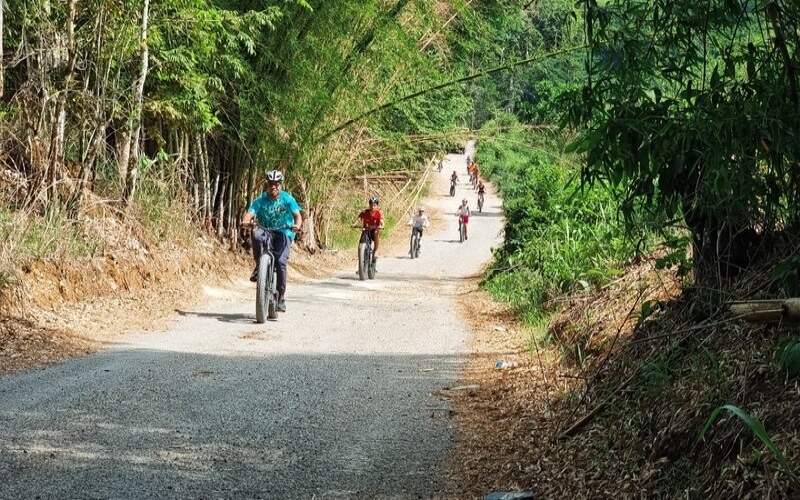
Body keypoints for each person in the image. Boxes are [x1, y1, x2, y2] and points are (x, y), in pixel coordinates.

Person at [241, 169, 303, 313]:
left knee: (280, 261)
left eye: (276, 184)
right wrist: (246, 221)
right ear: (267, 184)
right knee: (256, 235)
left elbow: (297, 215)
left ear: (281, 185)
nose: (273, 186)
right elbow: (250, 213)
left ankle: (281, 297)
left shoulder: (288, 199)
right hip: (265, 229)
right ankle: (259, 266)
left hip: (284, 231)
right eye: (270, 184)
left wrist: (297, 226)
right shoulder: (260, 199)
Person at [352, 196, 384, 265]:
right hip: (366, 230)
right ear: (369, 205)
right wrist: (354, 224)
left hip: (374, 230)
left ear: (377, 206)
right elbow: (359, 218)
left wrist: (382, 226)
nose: (372, 207)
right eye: (371, 205)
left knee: (376, 232)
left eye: (374, 205)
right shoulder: (365, 212)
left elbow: (382, 221)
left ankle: (375, 251)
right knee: (360, 246)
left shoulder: (379, 213)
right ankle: (360, 264)